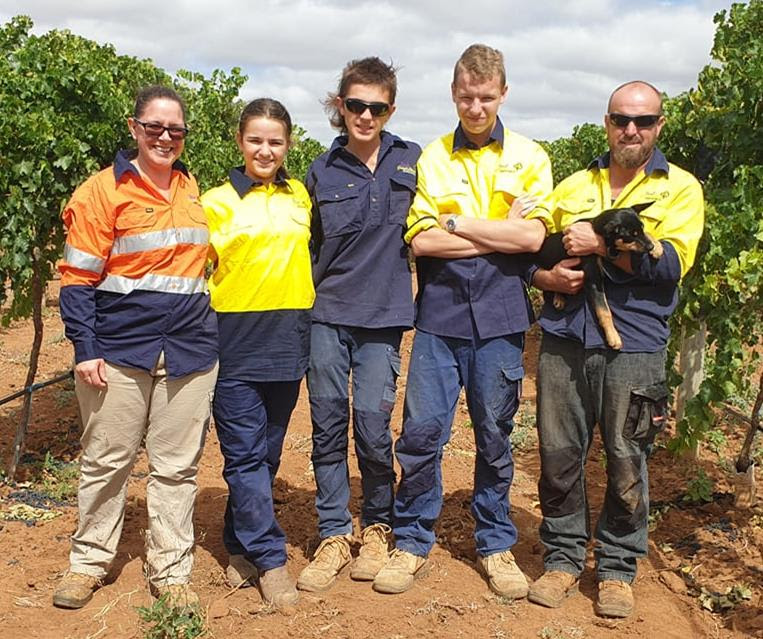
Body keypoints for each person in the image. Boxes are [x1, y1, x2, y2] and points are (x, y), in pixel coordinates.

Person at [372, 44, 553, 597]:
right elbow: (421, 241)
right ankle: (412, 540)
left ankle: (496, 544)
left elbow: (532, 238)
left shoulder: (529, 156)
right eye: (467, 97)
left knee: (496, 437)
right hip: (439, 320)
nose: (476, 107)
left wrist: (457, 224)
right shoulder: (431, 158)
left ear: (503, 94)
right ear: (454, 95)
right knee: (423, 435)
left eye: (487, 97)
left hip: (500, 322)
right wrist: (494, 232)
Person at [527, 81, 704, 618]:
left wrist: (600, 244)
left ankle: (618, 567)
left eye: (643, 121)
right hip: (562, 341)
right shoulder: (577, 184)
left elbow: (669, 266)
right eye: (621, 119)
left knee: (629, 459)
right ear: (607, 122)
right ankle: (561, 557)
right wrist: (545, 276)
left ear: (659, 126)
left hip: (638, 347)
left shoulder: (681, 189)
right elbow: (536, 249)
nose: (631, 130)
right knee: (558, 455)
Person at [53, 86, 218, 610]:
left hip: (190, 351)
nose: (165, 138)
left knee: (177, 466)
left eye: (175, 130)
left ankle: (170, 570)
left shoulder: (193, 190)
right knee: (107, 459)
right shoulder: (101, 192)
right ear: (134, 129)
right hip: (120, 351)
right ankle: (89, 562)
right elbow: (77, 279)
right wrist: (85, 348)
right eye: (154, 128)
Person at [296, 57, 421, 593]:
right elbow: (306, 245)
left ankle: (376, 526)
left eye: (376, 107)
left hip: (384, 320)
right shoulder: (320, 172)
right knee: (327, 426)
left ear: (389, 109)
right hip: (326, 316)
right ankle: (331, 531)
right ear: (339, 107)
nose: (365, 116)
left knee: (373, 427)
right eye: (355, 105)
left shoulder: (414, 161)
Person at [201, 98, 314, 609]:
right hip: (233, 341)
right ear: (239, 142)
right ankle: (270, 561)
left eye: (275, 141)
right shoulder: (215, 202)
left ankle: (236, 546)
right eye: (255, 140)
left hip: (289, 338)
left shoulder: (301, 197)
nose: (265, 149)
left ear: (287, 144)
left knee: (265, 456)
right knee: (244, 456)